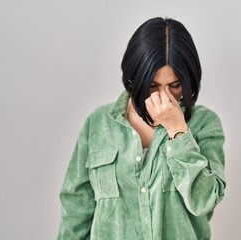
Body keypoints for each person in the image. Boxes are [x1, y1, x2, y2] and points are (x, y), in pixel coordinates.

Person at [57, 17, 226, 240]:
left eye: (174, 86)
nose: (163, 96)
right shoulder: (98, 124)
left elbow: (204, 201)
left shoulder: (205, 124)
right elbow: (76, 208)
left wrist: (178, 130)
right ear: (135, 77)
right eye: (153, 85)